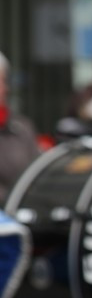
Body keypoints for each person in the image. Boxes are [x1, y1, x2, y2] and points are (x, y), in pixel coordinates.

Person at [0, 51, 39, 205]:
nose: (4, 89)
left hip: (20, 214)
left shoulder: (21, 127)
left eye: (3, 81)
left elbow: (36, 174)